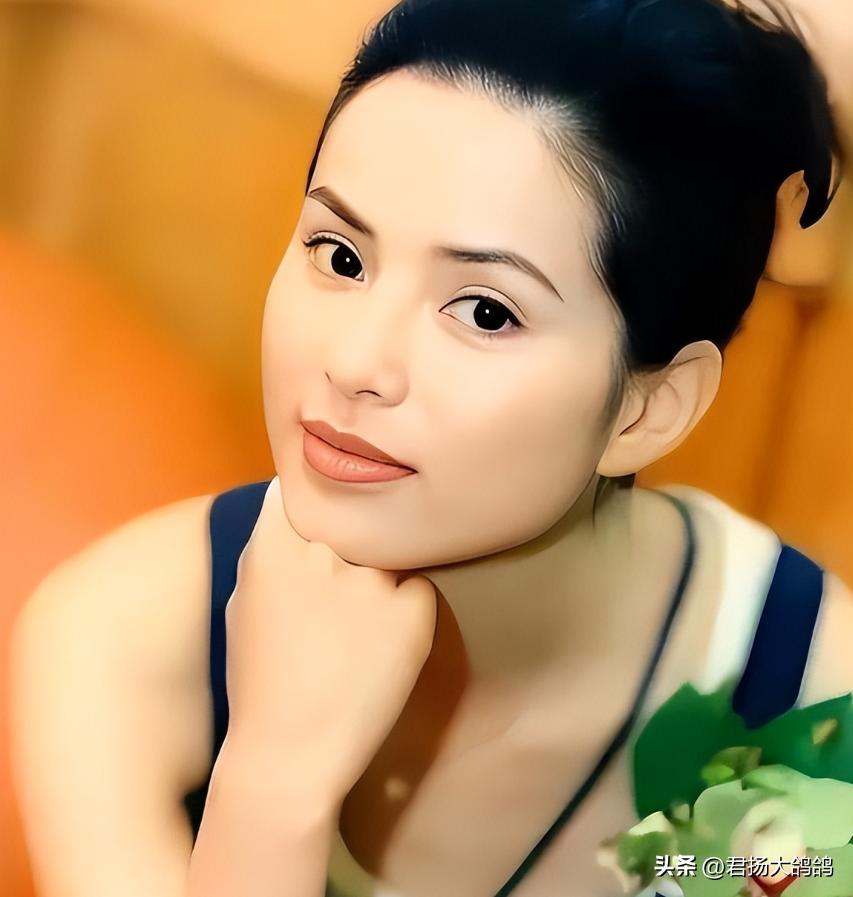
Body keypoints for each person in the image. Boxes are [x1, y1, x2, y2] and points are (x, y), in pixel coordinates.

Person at [10, 1, 853, 896]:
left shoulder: (808, 705)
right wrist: (271, 783)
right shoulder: (116, 642)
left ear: (646, 408)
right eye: (339, 256)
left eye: (485, 311)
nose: (354, 363)